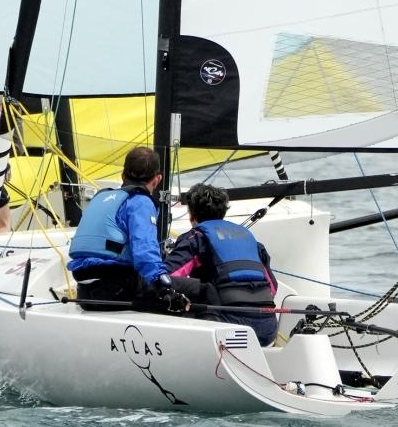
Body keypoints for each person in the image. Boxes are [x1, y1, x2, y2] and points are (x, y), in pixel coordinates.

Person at [67, 145, 190, 313]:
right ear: (157, 179)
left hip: (84, 292)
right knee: (197, 290)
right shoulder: (140, 202)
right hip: (115, 290)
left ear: (123, 175)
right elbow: (144, 251)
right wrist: (164, 288)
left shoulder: (100, 198)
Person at [165, 182, 279, 346]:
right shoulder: (253, 241)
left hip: (228, 327)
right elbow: (273, 288)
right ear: (223, 212)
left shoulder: (196, 238)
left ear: (192, 215)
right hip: (267, 329)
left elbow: (166, 277)